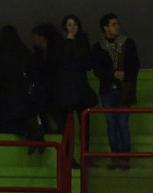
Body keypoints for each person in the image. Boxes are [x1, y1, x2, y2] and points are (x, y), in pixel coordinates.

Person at [92, 13, 139, 171]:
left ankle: (125, 158)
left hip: (123, 89)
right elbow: (97, 70)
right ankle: (115, 157)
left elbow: (135, 64)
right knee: (111, 125)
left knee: (123, 125)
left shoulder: (127, 43)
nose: (117, 27)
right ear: (106, 28)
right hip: (107, 90)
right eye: (113, 24)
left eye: (117, 24)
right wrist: (112, 75)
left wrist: (126, 76)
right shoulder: (98, 47)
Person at [53, 15, 97, 167]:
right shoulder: (62, 43)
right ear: (65, 27)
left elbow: (87, 63)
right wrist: (69, 41)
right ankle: (69, 158)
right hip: (69, 89)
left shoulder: (83, 41)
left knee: (85, 125)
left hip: (80, 88)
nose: (72, 28)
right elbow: (63, 61)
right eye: (69, 25)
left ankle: (86, 156)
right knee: (68, 126)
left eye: (75, 25)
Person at [0, 25, 42, 145]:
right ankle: (34, 134)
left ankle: (30, 134)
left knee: (8, 126)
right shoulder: (25, 53)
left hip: (5, 98)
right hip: (22, 96)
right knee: (21, 122)